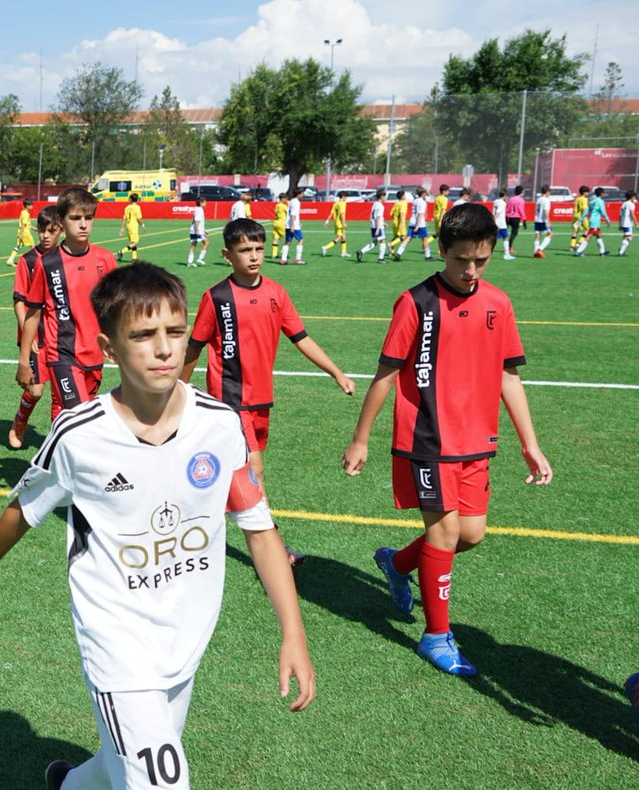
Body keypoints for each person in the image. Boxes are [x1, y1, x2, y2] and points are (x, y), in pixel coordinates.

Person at [0, 262, 315, 790]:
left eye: (174, 331)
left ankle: (66, 789)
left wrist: (294, 631)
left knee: (128, 758)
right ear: (108, 347)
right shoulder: (79, 434)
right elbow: (22, 509)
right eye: (143, 336)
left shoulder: (219, 424)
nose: (165, 349)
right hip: (116, 641)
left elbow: (259, 530)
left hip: (187, 633)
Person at [341, 202, 553, 676]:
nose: (470, 270)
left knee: (471, 534)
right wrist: (361, 438)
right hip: (428, 439)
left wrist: (529, 442)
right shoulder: (415, 302)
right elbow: (387, 372)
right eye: (461, 260)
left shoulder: (498, 303)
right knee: (444, 532)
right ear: (441, 250)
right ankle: (436, 636)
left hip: (477, 440)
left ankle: (397, 564)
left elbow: (508, 376)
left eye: (481, 260)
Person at [183, 217, 355, 568]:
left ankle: (188, 516)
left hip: (262, 401)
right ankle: (275, 552)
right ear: (227, 255)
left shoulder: (276, 293)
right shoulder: (216, 297)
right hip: (231, 402)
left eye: (259, 248)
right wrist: (179, 391)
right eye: (245, 250)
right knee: (254, 472)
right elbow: (193, 348)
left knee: (237, 475)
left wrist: (336, 372)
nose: (254, 256)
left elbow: (301, 339)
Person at [17, 187, 117, 419]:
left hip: (95, 354)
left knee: (79, 421)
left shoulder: (106, 259)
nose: (83, 224)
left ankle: (54, 453)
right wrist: (24, 360)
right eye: (75, 218)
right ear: (62, 221)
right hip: (62, 355)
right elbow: (33, 313)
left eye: (88, 218)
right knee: (82, 418)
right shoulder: (47, 263)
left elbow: (116, 308)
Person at [7, 206, 61, 449]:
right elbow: (19, 301)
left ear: (61, 230)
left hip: (60, 335)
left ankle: (58, 439)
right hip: (35, 334)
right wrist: (28, 336)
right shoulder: (28, 261)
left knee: (61, 393)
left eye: (52, 231)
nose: (46, 236)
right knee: (36, 390)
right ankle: (19, 422)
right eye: (42, 231)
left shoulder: (64, 259)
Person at [396, 187, 434, 261]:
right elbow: (420, 214)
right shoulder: (422, 202)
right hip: (420, 223)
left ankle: (398, 253)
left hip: (412, 221)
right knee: (424, 239)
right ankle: (428, 256)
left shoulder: (415, 200)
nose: (426, 194)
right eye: (425, 193)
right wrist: (418, 225)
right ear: (422, 193)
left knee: (408, 238)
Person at [573, 186, 611, 257]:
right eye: (603, 193)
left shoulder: (592, 201)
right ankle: (579, 251)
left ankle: (602, 251)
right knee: (589, 236)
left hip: (591, 219)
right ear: (601, 194)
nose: (604, 194)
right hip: (595, 221)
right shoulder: (600, 201)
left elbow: (586, 211)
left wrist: (581, 219)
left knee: (599, 235)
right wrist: (607, 219)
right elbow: (603, 211)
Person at [356, 188, 388, 263]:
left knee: (374, 242)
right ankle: (381, 259)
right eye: (384, 196)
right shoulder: (380, 206)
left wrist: (383, 222)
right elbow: (378, 217)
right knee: (383, 241)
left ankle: (361, 251)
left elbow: (373, 216)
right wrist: (378, 228)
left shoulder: (375, 204)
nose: (385, 198)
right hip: (378, 226)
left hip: (373, 225)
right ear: (381, 196)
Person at [116, 193, 146, 263]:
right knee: (135, 243)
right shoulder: (137, 207)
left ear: (131, 199)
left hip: (128, 226)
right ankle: (121, 252)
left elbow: (124, 218)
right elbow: (138, 218)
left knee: (133, 242)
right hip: (134, 226)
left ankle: (134, 258)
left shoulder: (127, 207)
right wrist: (142, 224)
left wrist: (122, 228)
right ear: (137, 199)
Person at [7, 199, 36, 267]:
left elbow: (26, 223)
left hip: (21, 231)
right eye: (31, 205)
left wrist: (34, 228)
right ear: (27, 206)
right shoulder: (26, 214)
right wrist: (22, 234)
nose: (32, 206)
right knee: (33, 246)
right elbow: (23, 224)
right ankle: (32, 261)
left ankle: (10, 260)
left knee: (18, 246)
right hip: (25, 232)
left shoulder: (23, 212)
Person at [280, 187, 305, 265]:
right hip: (293, 225)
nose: (303, 195)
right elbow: (293, 214)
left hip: (288, 224)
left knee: (287, 242)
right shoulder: (296, 202)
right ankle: (298, 259)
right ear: (299, 194)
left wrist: (298, 222)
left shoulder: (292, 201)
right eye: (302, 193)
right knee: (300, 240)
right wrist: (293, 225)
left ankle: (283, 260)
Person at [320, 191, 349, 257]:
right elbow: (342, 213)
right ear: (343, 196)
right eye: (346, 196)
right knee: (339, 238)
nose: (346, 198)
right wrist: (344, 222)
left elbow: (331, 213)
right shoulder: (342, 203)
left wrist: (327, 221)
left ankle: (343, 252)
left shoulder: (336, 203)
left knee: (343, 237)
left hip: (336, 223)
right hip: (340, 224)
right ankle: (325, 247)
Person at [388, 191, 409, 261]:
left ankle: (391, 252)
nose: (405, 196)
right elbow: (402, 213)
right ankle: (391, 244)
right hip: (400, 222)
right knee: (404, 237)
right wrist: (402, 223)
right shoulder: (404, 203)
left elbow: (391, 214)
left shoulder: (396, 203)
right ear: (402, 196)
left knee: (396, 237)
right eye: (404, 195)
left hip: (394, 222)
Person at [532, 185, 552, 258]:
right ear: (547, 192)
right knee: (550, 234)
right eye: (549, 192)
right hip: (543, 221)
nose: (550, 194)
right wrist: (549, 221)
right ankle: (539, 249)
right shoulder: (546, 200)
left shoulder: (539, 199)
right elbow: (545, 211)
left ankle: (535, 253)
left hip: (537, 219)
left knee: (538, 235)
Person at [187, 197, 208, 266]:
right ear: (201, 203)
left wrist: (204, 230)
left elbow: (200, 222)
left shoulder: (197, 209)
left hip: (195, 230)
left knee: (193, 245)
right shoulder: (200, 210)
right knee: (206, 243)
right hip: (197, 231)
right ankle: (200, 259)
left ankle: (190, 262)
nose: (206, 203)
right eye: (205, 202)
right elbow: (196, 221)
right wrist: (197, 230)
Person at [505, 185, 525, 255]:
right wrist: (524, 220)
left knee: (509, 232)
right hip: (516, 218)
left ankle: (508, 246)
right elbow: (521, 210)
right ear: (521, 191)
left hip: (509, 217)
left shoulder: (511, 199)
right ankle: (509, 247)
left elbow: (507, 208)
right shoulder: (521, 200)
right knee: (514, 233)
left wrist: (506, 217)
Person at [569, 185, 590, 251]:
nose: (588, 193)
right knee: (588, 230)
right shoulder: (585, 199)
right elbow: (583, 209)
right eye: (587, 192)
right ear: (584, 192)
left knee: (575, 231)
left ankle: (572, 246)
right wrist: (584, 216)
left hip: (575, 216)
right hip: (581, 216)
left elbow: (574, 208)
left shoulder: (577, 198)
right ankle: (579, 243)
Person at [270, 192, 288, 257]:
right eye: (286, 198)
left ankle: (274, 254)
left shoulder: (277, 205)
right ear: (282, 198)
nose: (286, 200)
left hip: (276, 223)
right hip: (282, 223)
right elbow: (289, 213)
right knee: (288, 237)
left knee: (276, 238)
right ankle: (283, 250)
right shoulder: (284, 206)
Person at [619, 190, 635, 256]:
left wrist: (620, 224)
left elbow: (620, 214)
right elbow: (632, 214)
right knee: (629, 236)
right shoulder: (631, 204)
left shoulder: (624, 203)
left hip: (624, 222)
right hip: (627, 223)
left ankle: (622, 250)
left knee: (627, 237)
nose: (634, 198)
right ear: (631, 197)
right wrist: (637, 224)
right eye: (634, 196)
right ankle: (621, 252)